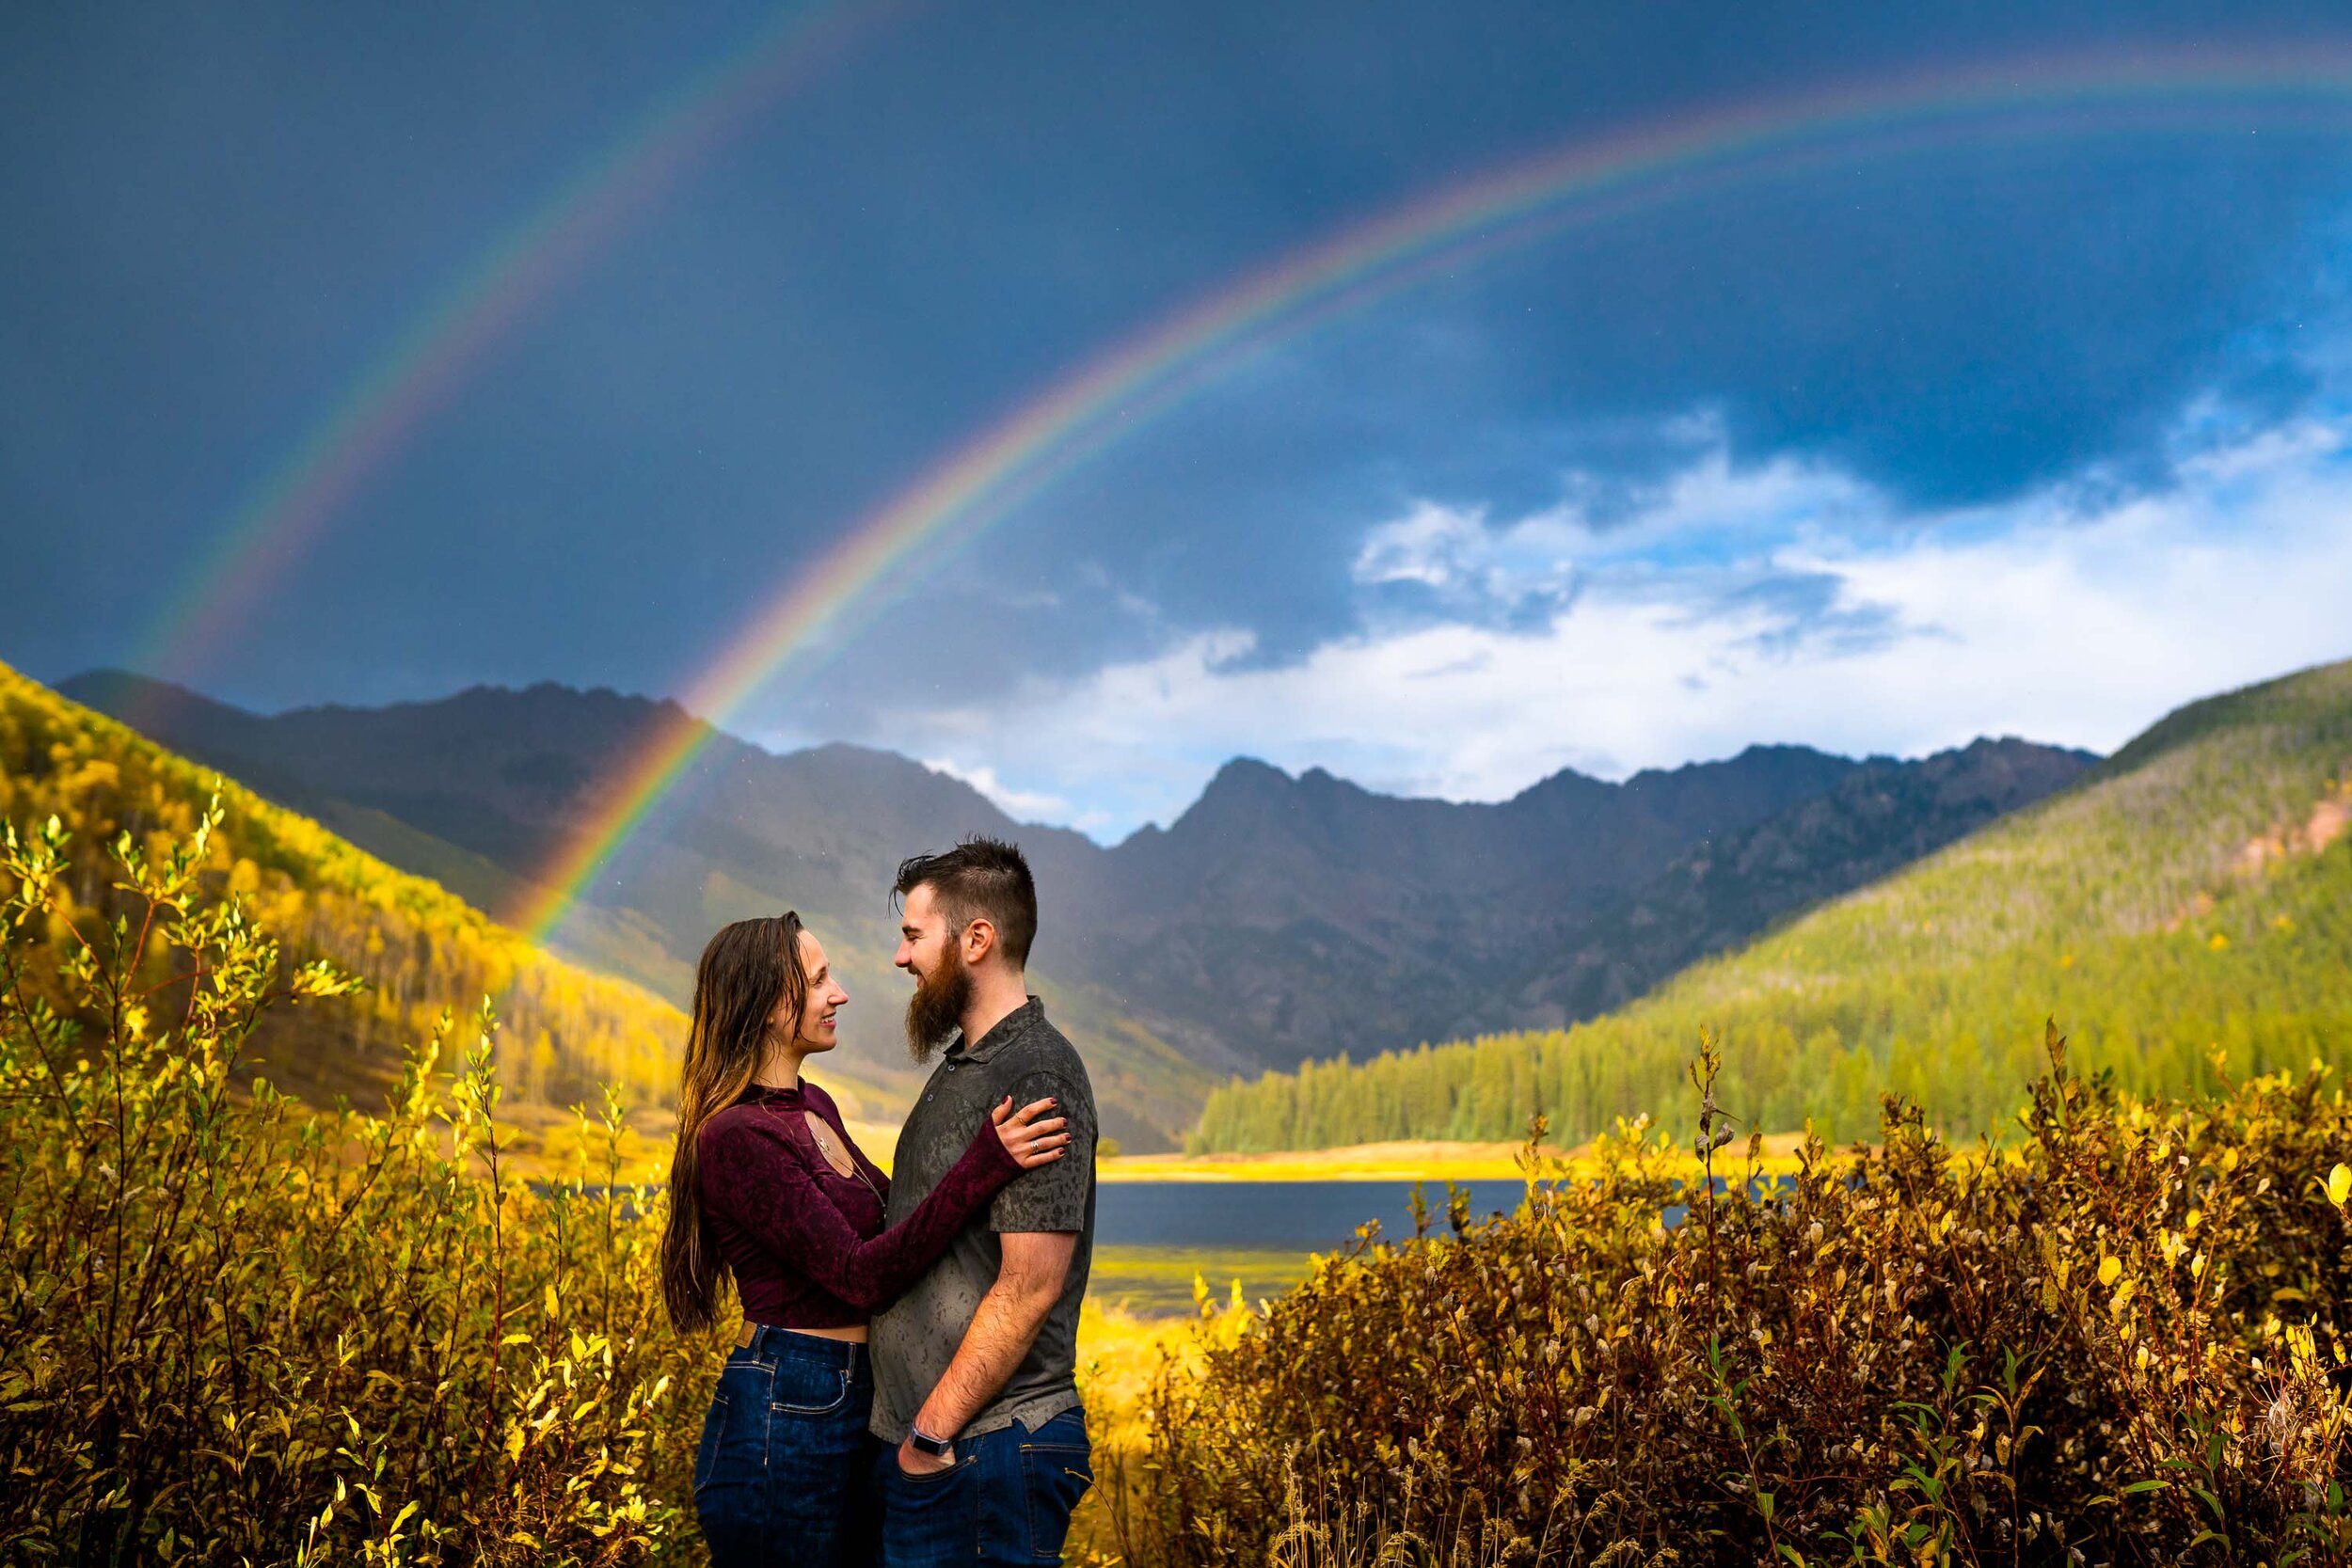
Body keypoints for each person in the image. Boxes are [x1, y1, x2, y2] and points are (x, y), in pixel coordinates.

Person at [660, 911, 1073, 1568]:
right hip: (785, 1403)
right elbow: (861, 1274)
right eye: (820, 980)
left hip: (855, 1397)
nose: (840, 993)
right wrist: (986, 1161)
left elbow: (895, 1218)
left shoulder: (813, 1103)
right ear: (770, 1005)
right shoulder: (737, 1136)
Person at [870, 838, 1100, 1568]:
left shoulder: (1037, 1071)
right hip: (949, 1452)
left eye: (913, 936)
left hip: (989, 1448)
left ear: (977, 939)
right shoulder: (965, 1068)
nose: (901, 958)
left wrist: (930, 1435)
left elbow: (1029, 1284)